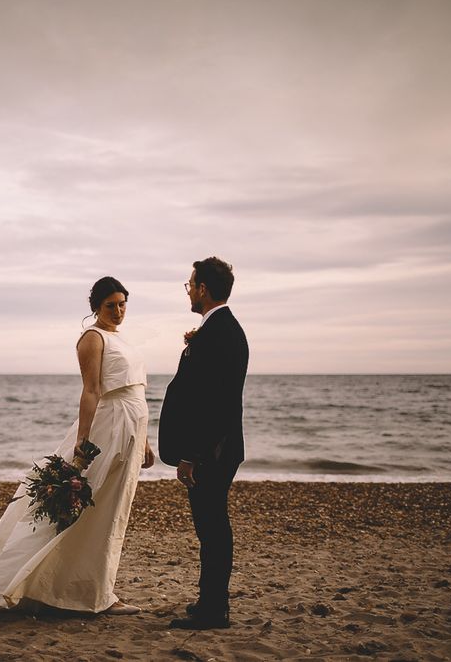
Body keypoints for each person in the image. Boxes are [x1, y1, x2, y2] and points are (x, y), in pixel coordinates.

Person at [0, 276, 155, 615]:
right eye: (111, 305)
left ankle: (93, 591)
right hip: (108, 429)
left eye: (122, 304)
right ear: (96, 306)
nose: (118, 310)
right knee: (82, 508)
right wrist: (83, 440)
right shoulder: (92, 338)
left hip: (132, 428)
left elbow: (137, 393)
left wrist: (146, 442)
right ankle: (19, 583)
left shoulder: (121, 339)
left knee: (112, 514)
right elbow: (92, 391)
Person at [158, 257, 249, 630]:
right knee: (210, 529)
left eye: (190, 284)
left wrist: (192, 457)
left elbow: (215, 404)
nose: (188, 290)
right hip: (214, 450)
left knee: (212, 529)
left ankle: (214, 610)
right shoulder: (217, 329)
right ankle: (209, 601)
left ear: (203, 290)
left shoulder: (221, 333)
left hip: (212, 453)